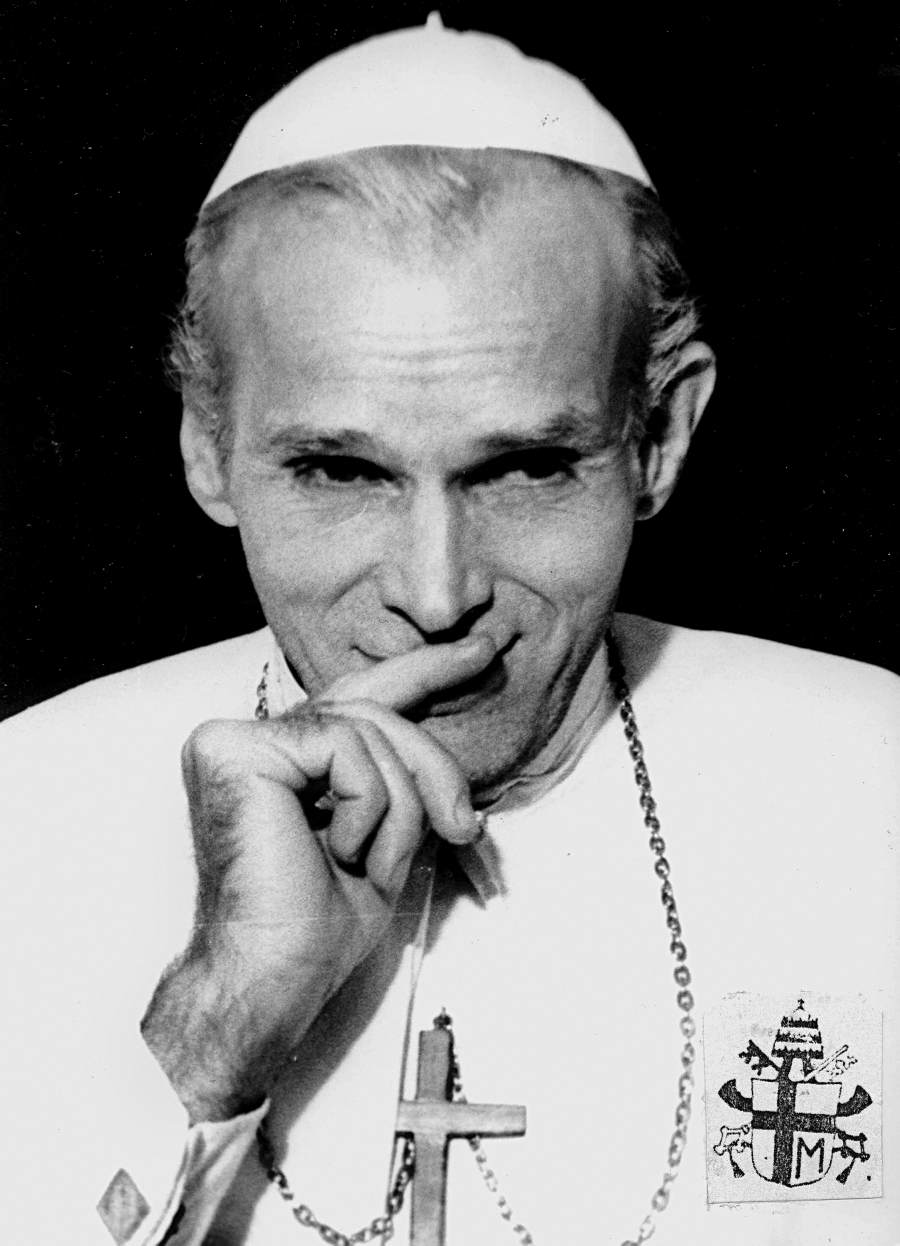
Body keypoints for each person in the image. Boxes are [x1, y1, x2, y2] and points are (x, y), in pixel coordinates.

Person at [1, 15, 897, 1246]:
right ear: (208, 447)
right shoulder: (20, 809)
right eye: (339, 471)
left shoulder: (880, 780)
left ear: (660, 435)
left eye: (524, 468)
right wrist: (212, 1031)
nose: (436, 596)